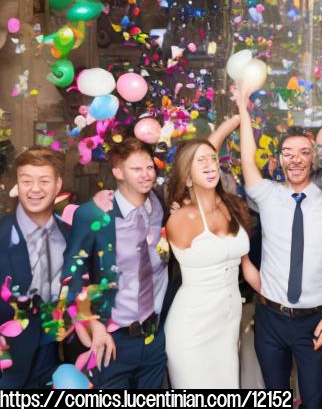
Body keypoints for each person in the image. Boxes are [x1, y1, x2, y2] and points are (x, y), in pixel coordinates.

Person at [236, 85, 322, 409]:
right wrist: (243, 111)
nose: (295, 159)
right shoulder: (268, 196)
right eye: (288, 152)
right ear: (279, 159)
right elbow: (247, 159)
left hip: (312, 320)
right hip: (270, 319)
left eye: (303, 152)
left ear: (314, 157)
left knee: (315, 399)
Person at [63, 138, 172, 388]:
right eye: (136, 169)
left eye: (149, 167)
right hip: (112, 339)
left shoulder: (159, 206)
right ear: (117, 172)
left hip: (154, 337)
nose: (146, 175)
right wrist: (92, 324)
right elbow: (72, 274)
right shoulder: (94, 214)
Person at [163, 139, 261, 388]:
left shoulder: (234, 206)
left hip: (228, 319)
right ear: (187, 175)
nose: (210, 166)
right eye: (201, 161)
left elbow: (246, 266)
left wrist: (277, 298)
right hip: (193, 324)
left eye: (213, 159)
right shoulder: (181, 218)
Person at [0, 148, 69, 388]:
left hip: (53, 355)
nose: (35, 189)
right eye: (26, 181)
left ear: (57, 184)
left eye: (44, 181)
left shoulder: (69, 235)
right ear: (18, 185)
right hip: (7, 361)